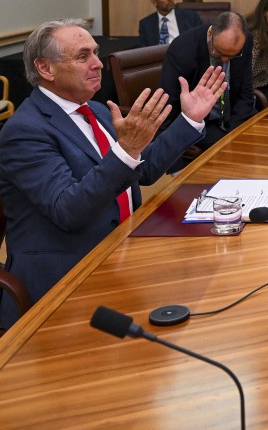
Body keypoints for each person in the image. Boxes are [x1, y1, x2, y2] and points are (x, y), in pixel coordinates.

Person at [0, 19, 224, 328]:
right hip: (64, 281)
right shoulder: (25, 130)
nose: (97, 64)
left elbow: (141, 172)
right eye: (83, 57)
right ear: (45, 68)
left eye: (95, 53)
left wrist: (190, 120)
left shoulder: (98, 111)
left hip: (120, 254)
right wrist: (125, 151)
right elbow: (69, 210)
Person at [160, 11, 255, 156]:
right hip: (200, 125)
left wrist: (235, 131)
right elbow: (168, 107)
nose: (224, 60)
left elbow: (245, 92)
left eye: (232, 55)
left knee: (264, 138)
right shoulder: (183, 49)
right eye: (218, 52)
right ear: (210, 33)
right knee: (240, 151)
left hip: (233, 118)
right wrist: (173, 163)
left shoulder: (245, 41)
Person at [137, 0, 204, 47]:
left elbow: (202, 41)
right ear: (154, 2)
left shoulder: (191, 17)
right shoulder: (146, 24)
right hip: (158, 57)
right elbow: (144, 51)